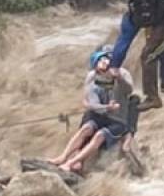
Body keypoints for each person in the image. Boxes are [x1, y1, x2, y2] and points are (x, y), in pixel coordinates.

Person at [24, 48, 145, 177]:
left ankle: (72, 162)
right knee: (86, 128)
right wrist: (105, 107)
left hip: (117, 119)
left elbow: (128, 90)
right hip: (101, 114)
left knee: (99, 135)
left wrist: (119, 78)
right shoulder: (92, 79)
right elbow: (92, 104)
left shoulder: (121, 75)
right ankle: (62, 157)